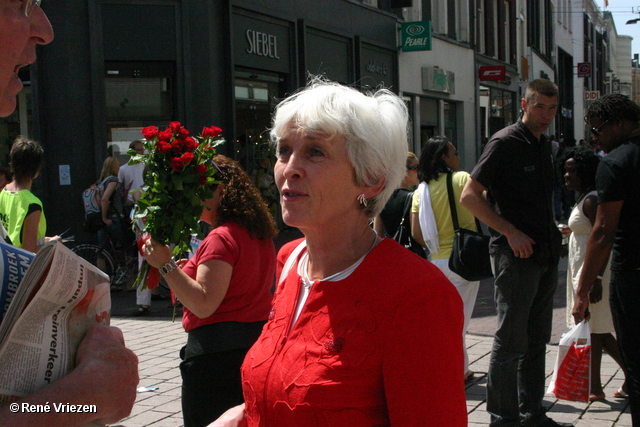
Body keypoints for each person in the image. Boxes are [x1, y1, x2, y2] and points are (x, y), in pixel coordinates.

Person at [211, 80, 467, 426]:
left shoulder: (417, 294)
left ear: (370, 179)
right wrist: (243, 415)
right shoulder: (289, 260)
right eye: (284, 150)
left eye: (315, 152)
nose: (290, 168)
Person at [0, 2, 137, 424]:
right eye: (18, 3)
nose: (45, 29)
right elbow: (28, 256)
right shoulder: (35, 203)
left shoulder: (5, 193)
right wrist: (77, 401)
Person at [142, 154, 278, 427]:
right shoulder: (254, 232)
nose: (192, 197)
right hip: (251, 348)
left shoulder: (221, 236)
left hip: (216, 360)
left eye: (197, 188)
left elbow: (204, 303)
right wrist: (183, 270)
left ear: (220, 190)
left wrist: (166, 264)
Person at [461, 79, 566, 427]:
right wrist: (510, 231)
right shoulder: (505, 142)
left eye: (552, 108)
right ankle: (502, 420)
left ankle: (532, 412)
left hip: (546, 253)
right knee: (509, 341)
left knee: (537, 341)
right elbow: (470, 196)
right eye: (540, 107)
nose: (546, 115)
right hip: (514, 256)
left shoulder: (544, 145)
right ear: (524, 104)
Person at [573, 94, 640, 425]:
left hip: (634, 276)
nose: (595, 138)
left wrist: (583, 290)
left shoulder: (615, 164)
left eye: (598, 129)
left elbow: (602, 233)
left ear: (619, 124)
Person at [558, 146, 628, 402]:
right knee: (595, 330)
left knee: (598, 330)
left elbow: (604, 237)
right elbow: (587, 231)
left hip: (594, 273)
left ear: (586, 172)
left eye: (573, 171)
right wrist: (571, 231)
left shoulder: (592, 199)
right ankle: (596, 386)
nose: (567, 176)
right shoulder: (583, 197)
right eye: (565, 170)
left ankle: (620, 380)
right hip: (583, 270)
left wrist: (595, 280)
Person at [410, 136, 480, 383]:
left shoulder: (421, 190)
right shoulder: (462, 179)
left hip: (435, 261)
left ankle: (460, 368)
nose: (458, 157)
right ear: (443, 158)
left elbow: (416, 232)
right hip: (463, 260)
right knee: (459, 321)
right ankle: (456, 371)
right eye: (454, 153)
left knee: (445, 320)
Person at [0, 137, 59, 252]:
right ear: (36, 170)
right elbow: (29, 251)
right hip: (22, 267)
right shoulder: (32, 204)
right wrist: (53, 243)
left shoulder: (3, 193)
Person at [372, 151, 419, 238]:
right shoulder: (413, 197)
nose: (420, 171)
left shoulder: (382, 197)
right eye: (416, 167)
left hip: (390, 249)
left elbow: (378, 232)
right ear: (403, 172)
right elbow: (416, 234)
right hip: (409, 249)